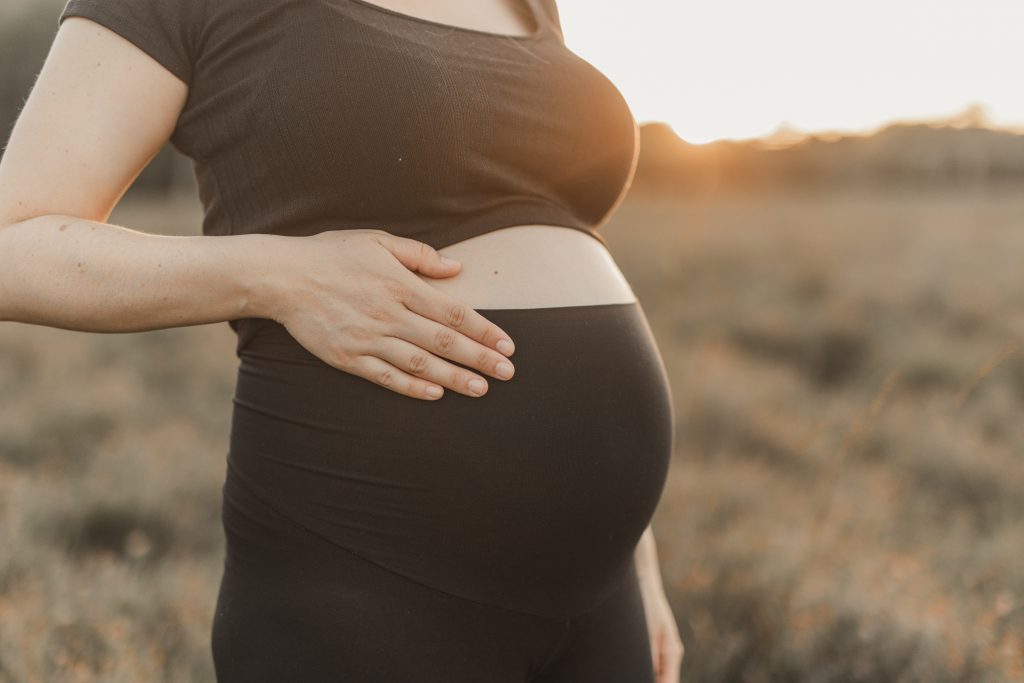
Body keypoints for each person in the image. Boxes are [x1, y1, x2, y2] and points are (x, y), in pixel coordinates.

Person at [0, 0, 684, 680]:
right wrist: (278, 274)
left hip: (603, 590)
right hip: (370, 571)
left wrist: (636, 558)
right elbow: (12, 247)